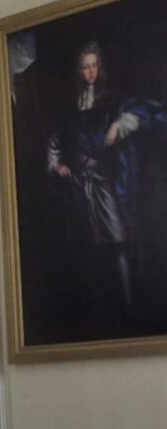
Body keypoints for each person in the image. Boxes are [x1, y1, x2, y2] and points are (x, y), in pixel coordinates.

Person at [45, 43, 163, 325]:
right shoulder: (69, 106)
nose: (90, 72)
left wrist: (119, 125)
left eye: (93, 66)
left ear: (99, 68)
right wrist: (55, 164)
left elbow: (137, 114)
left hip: (102, 178)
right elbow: (55, 140)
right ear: (79, 70)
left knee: (117, 239)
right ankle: (94, 308)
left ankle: (128, 304)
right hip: (77, 183)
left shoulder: (110, 101)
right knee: (86, 245)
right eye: (85, 67)